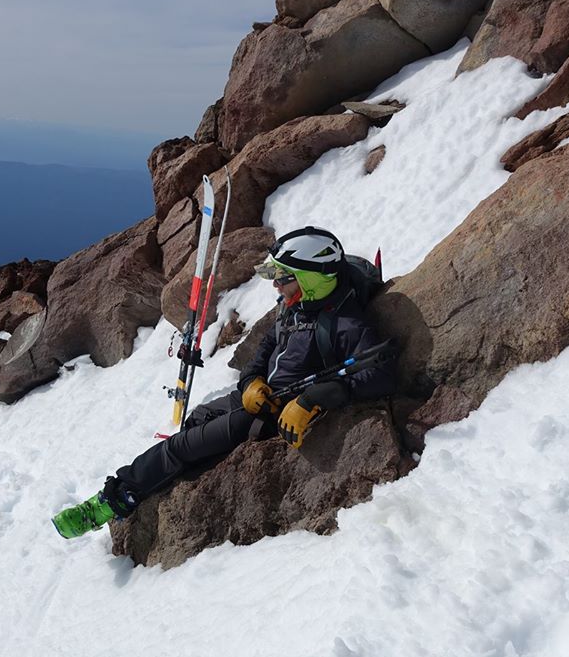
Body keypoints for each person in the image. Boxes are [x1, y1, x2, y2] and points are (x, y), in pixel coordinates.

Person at [51, 226, 396, 539]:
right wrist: (250, 382)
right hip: (259, 399)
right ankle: (179, 472)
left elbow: (381, 375)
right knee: (197, 418)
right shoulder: (294, 308)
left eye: (282, 277)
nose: (275, 285)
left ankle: (112, 500)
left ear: (311, 277)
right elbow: (263, 352)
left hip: (272, 417)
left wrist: (312, 400)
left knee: (178, 447)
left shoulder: (346, 322)